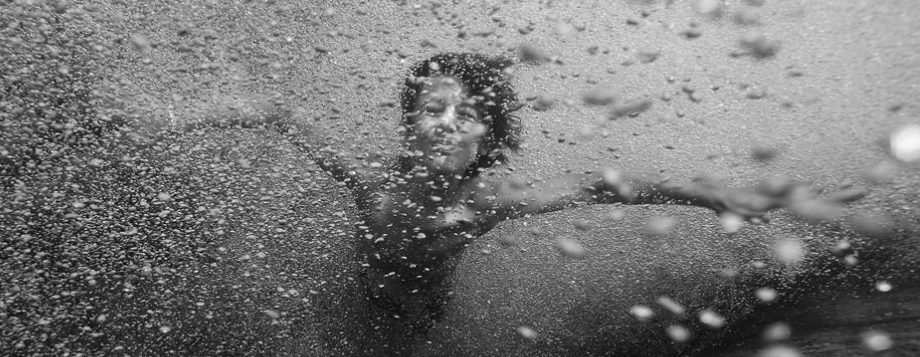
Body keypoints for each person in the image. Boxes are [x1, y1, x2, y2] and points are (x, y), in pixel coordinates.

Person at [235, 52, 822, 331]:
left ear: (488, 136)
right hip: (358, 291)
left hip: (423, 311)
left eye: (466, 114)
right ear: (408, 122)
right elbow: (278, 114)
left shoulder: (490, 200)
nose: (446, 123)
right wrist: (156, 123)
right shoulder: (371, 176)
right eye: (431, 108)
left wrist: (717, 198)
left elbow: (601, 184)